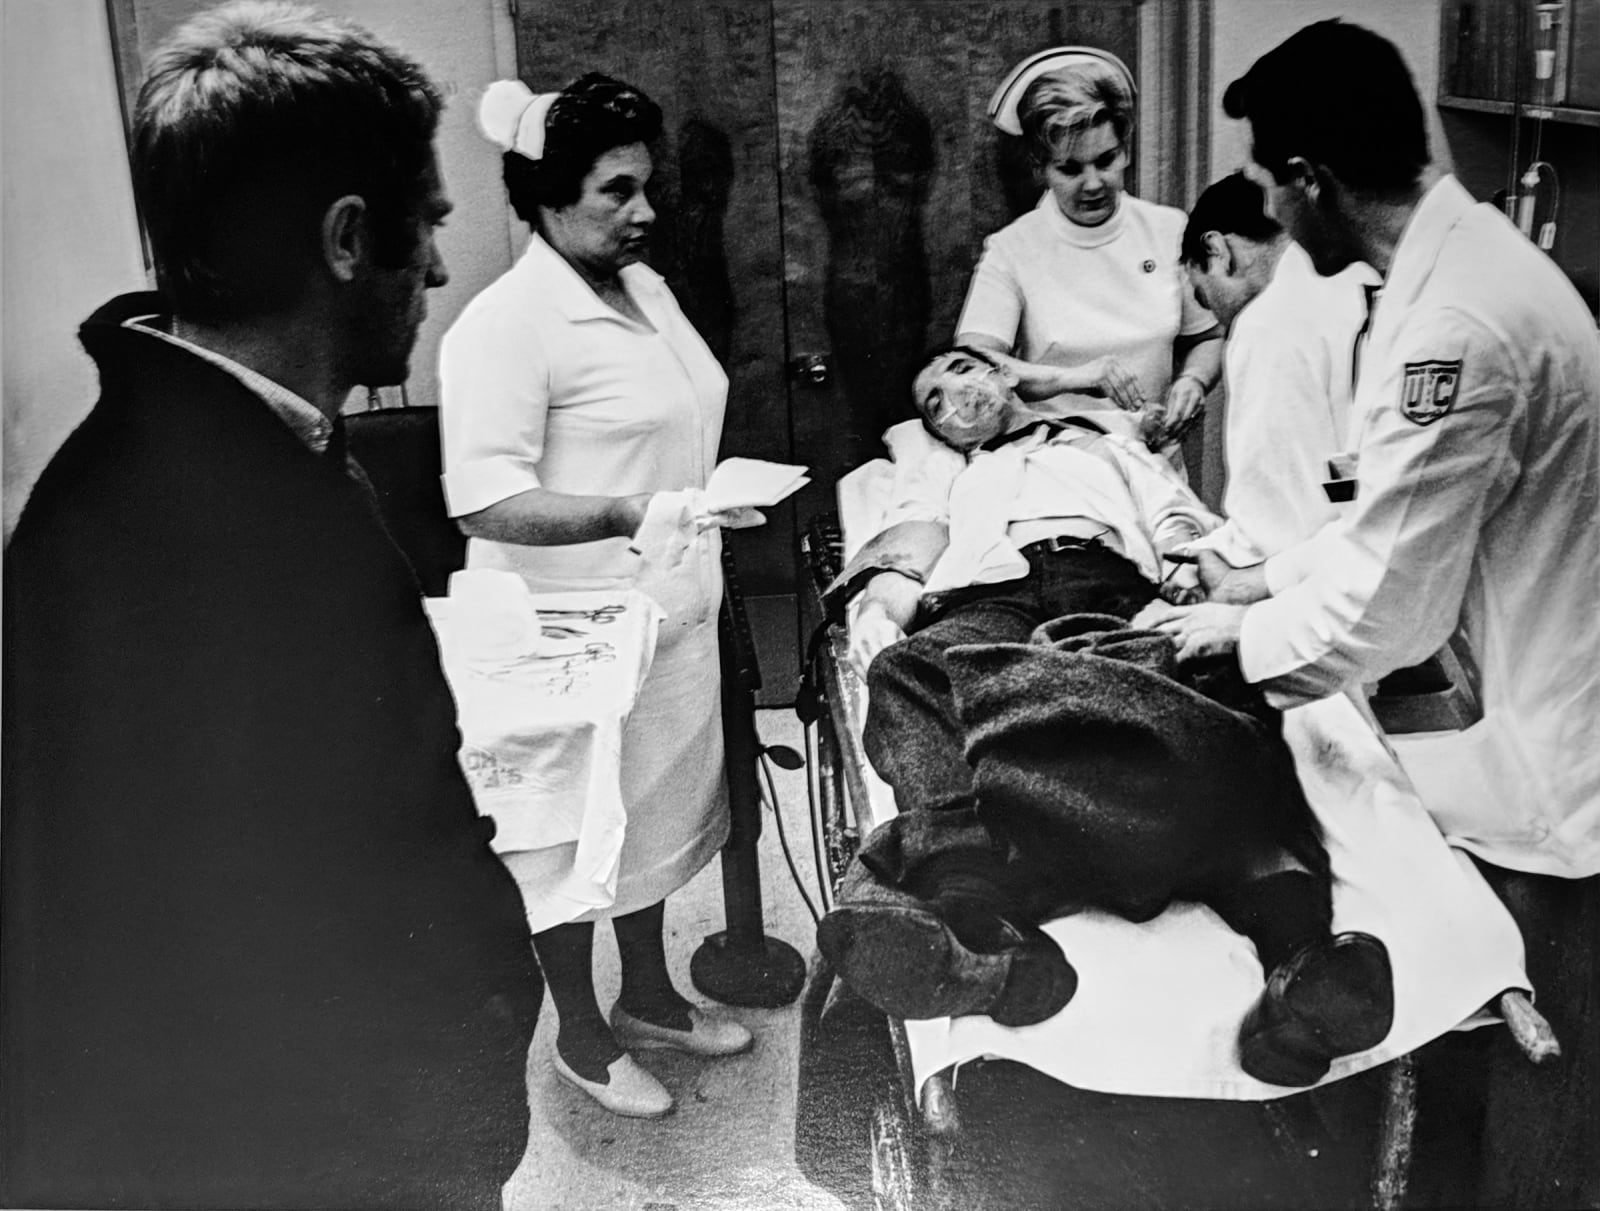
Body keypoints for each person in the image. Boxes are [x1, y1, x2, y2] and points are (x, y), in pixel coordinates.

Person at [0, 5, 543, 1208]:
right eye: (428, 225)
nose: (437, 269)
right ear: (349, 238)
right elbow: (248, 965)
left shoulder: (208, 457)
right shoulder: (184, 530)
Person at [1138, 20, 1599, 1204]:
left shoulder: (1458, 323)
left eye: (1270, 187)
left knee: (1531, 1087)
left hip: (1552, 749)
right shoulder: (1449, 273)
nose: (1272, 216)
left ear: (1311, 180)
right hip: (1511, 690)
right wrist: (1265, 581)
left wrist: (1239, 640)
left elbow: (1391, 605)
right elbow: (1391, 518)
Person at [820, 347, 1394, 1088]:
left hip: (1112, 583)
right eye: (933, 403)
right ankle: (981, 917)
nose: (953, 398)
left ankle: (1302, 970)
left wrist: (1191, 576)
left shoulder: (1103, 446)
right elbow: (914, 536)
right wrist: (880, 607)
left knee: (1213, 677)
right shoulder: (952, 472)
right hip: (990, 595)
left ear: (1003, 375)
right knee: (907, 671)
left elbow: (1174, 514)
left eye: (961, 371)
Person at [439, 73, 752, 1120]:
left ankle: (649, 997)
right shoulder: (506, 324)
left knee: (652, 818)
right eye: (617, 190)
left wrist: (696, 503)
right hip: (562, 630)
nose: (644, 210)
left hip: (665, 614)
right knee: (571, 841)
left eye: (646, 186)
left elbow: (677, 423)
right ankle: (580, 1032)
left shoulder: (645, 289)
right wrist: (627, 510)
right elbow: (486, 500)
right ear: (546, 197)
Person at [956, 47, 1224, 463]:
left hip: (1154, 463)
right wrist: (1076, 378)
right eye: (1070, 169)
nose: (1093, 183)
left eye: (1106, 161)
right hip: (1055, 466)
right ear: (1040, 168)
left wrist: (1193, 381)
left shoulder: (1168, 230)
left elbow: (1207, 336)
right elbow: (974, 365)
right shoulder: (1012, 250)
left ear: (1126, 151)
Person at [1178, 172, 1372, 569]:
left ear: (1217, 250)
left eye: (1204, 295)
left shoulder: (1268, 323)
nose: (1217, 315)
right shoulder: (1364, 274)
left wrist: (1201, 560)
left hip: (1323, 570)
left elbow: (1273, 525)